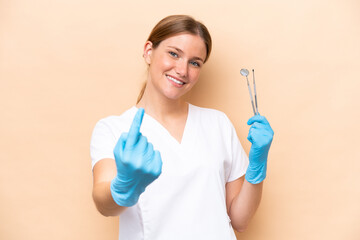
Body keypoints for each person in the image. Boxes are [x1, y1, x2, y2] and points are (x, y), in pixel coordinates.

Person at [90, 15, 274, 240]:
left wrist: (257, 165)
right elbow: (103, 204)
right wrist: (123, 187)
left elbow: (240, 220)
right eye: (174, 54)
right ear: (149, 51)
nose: (182, 70)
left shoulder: (218, 124)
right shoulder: (113, 129)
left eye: (195, 62)